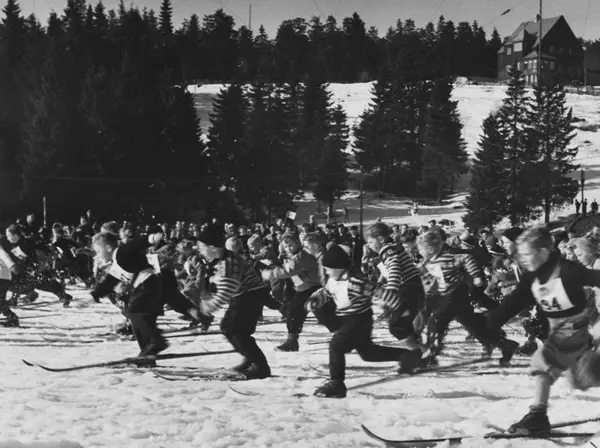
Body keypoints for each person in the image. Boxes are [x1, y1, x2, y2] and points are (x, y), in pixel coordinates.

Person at [488, 227, 600, 434]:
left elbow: (595, 277)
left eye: (527, 254)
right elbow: (515, 301)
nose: (523, 259)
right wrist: (492, 320)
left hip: (574, 330)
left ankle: (537, 416)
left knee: (544, 362)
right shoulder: (532, 277)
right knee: (580, 380)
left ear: (543, 252)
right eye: (521, 254)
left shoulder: (567, 270)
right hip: (560, 332)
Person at [307, 245, 413, 398]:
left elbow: (380, 292)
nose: (326, 271)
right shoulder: (334, 280)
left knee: (336, 345)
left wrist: (400, 308)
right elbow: (327, 292)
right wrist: (316, 299)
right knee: (369, 353)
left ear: (339, 267)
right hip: (347, 319)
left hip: (359, 320)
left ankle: (336, 383)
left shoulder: (356, 282)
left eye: (329, 268)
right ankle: (408, 356)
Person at [196, 225, 272, 379]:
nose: (200, 250)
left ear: (212, 247)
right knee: (231, 328)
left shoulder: (229, 262)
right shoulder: (222, 259)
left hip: (250, 296)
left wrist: (208, 307)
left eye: (202, 247)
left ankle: (260, 367)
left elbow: (227, 290)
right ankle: (250, 359)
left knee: (234, 330)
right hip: (244, 295)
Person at [91, 228, 168, 366]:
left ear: (108, 248)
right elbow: (111, 280)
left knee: (134, 313)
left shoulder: (121, 253)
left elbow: (133, 245)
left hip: (147, 284)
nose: (97, 255)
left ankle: (157, 341)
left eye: (98, 251)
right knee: (139, 322)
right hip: (147, 285)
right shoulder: (117, 263)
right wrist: (97, 293)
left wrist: (149, 239)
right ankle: (147, 354)